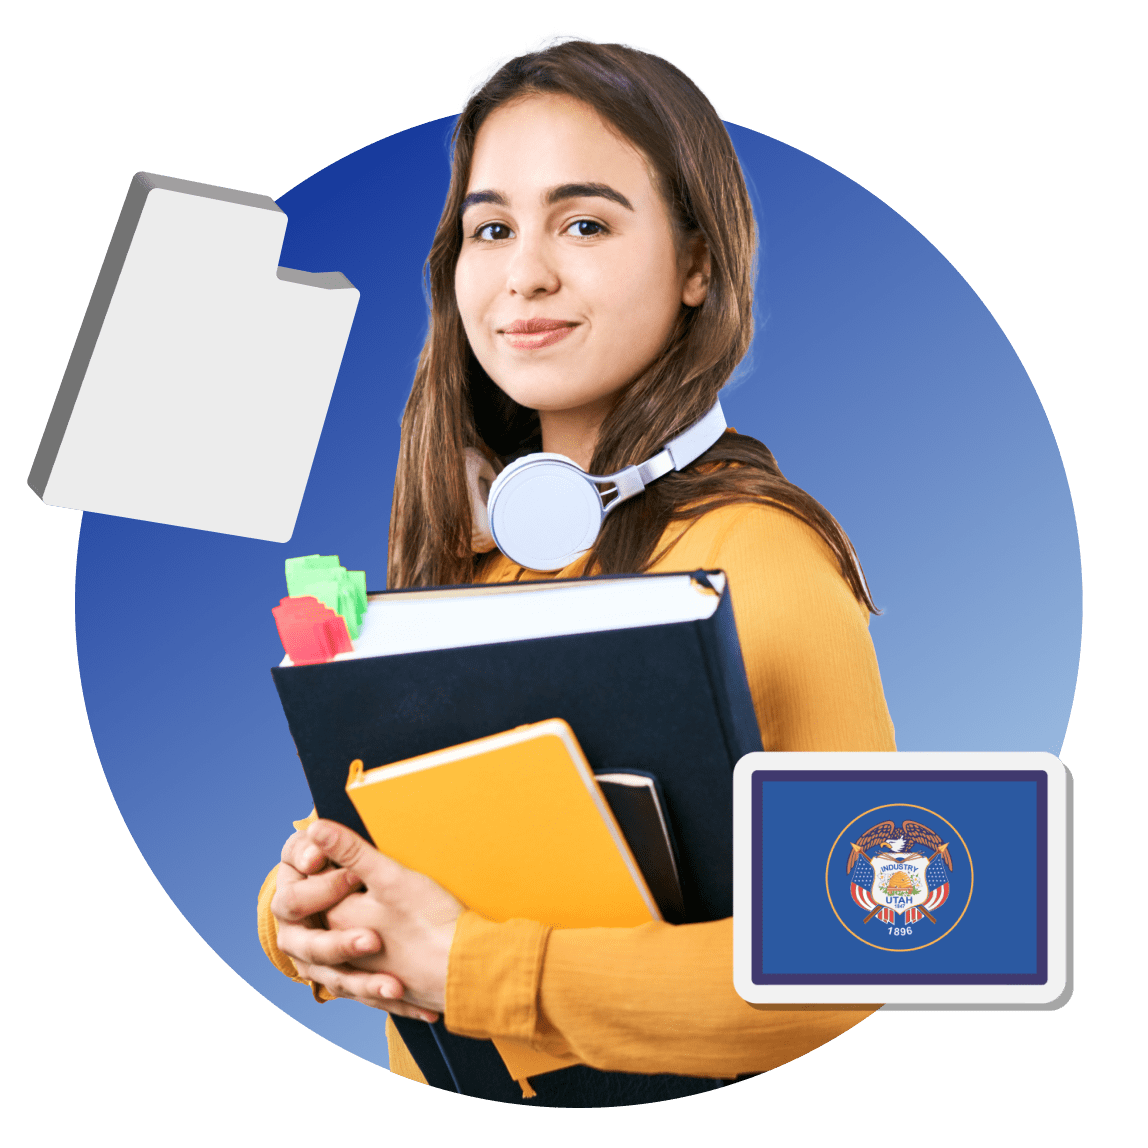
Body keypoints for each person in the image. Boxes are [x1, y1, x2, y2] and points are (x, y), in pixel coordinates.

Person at [257, 34, 896, 1099]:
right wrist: (300, 911)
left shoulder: (765, 557)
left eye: (584, 222)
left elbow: (859, 954)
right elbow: (387, 853)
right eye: (491, 227)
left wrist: (476, 969)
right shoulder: (461, 564)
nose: (524, 273)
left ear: (698, 263)